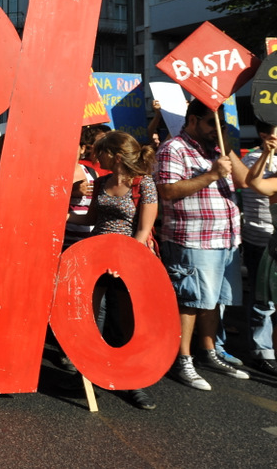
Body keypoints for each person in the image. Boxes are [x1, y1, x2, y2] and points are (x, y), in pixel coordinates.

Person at [155, 99, 249, 390]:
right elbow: (167, 191)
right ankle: (182, 359)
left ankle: (209, 351)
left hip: (225, 239)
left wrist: (228, 152)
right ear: (192, 120)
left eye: (220, 124)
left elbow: (245, 182)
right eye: (211, 123)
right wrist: (210, 175)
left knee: (212, 301)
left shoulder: (218, 149)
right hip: (192, 240)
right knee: (191, 301)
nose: (216, 130)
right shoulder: (173, 148)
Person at [68, 130, 159, 409]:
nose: (96, 156)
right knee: (91, 319)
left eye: (101, 152)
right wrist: (58, 211)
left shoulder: (144, 184)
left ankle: (134, 381)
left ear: (115, 156)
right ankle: (92, 372)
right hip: (97, 256)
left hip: (129, 261)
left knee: (126, 322)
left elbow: (143, 231)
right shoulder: (101, 182)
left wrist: (124, 262)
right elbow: (91, 218)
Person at [244, 123, 277, 375]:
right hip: (264, 242)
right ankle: (262, 351)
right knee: (264, 302)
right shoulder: (255, 157)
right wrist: (267, 154)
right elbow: (253, 183)